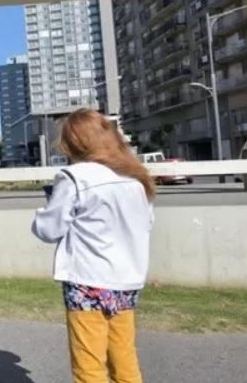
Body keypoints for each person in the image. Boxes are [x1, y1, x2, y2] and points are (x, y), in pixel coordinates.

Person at [31, 108, 155, 383]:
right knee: (124, 362)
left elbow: (49, 229)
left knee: (89, 367)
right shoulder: (135, 179)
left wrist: (44, 209)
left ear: (74, 143)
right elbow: (145, 225)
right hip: (126, 281)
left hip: (88, 281)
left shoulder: (75, 177)